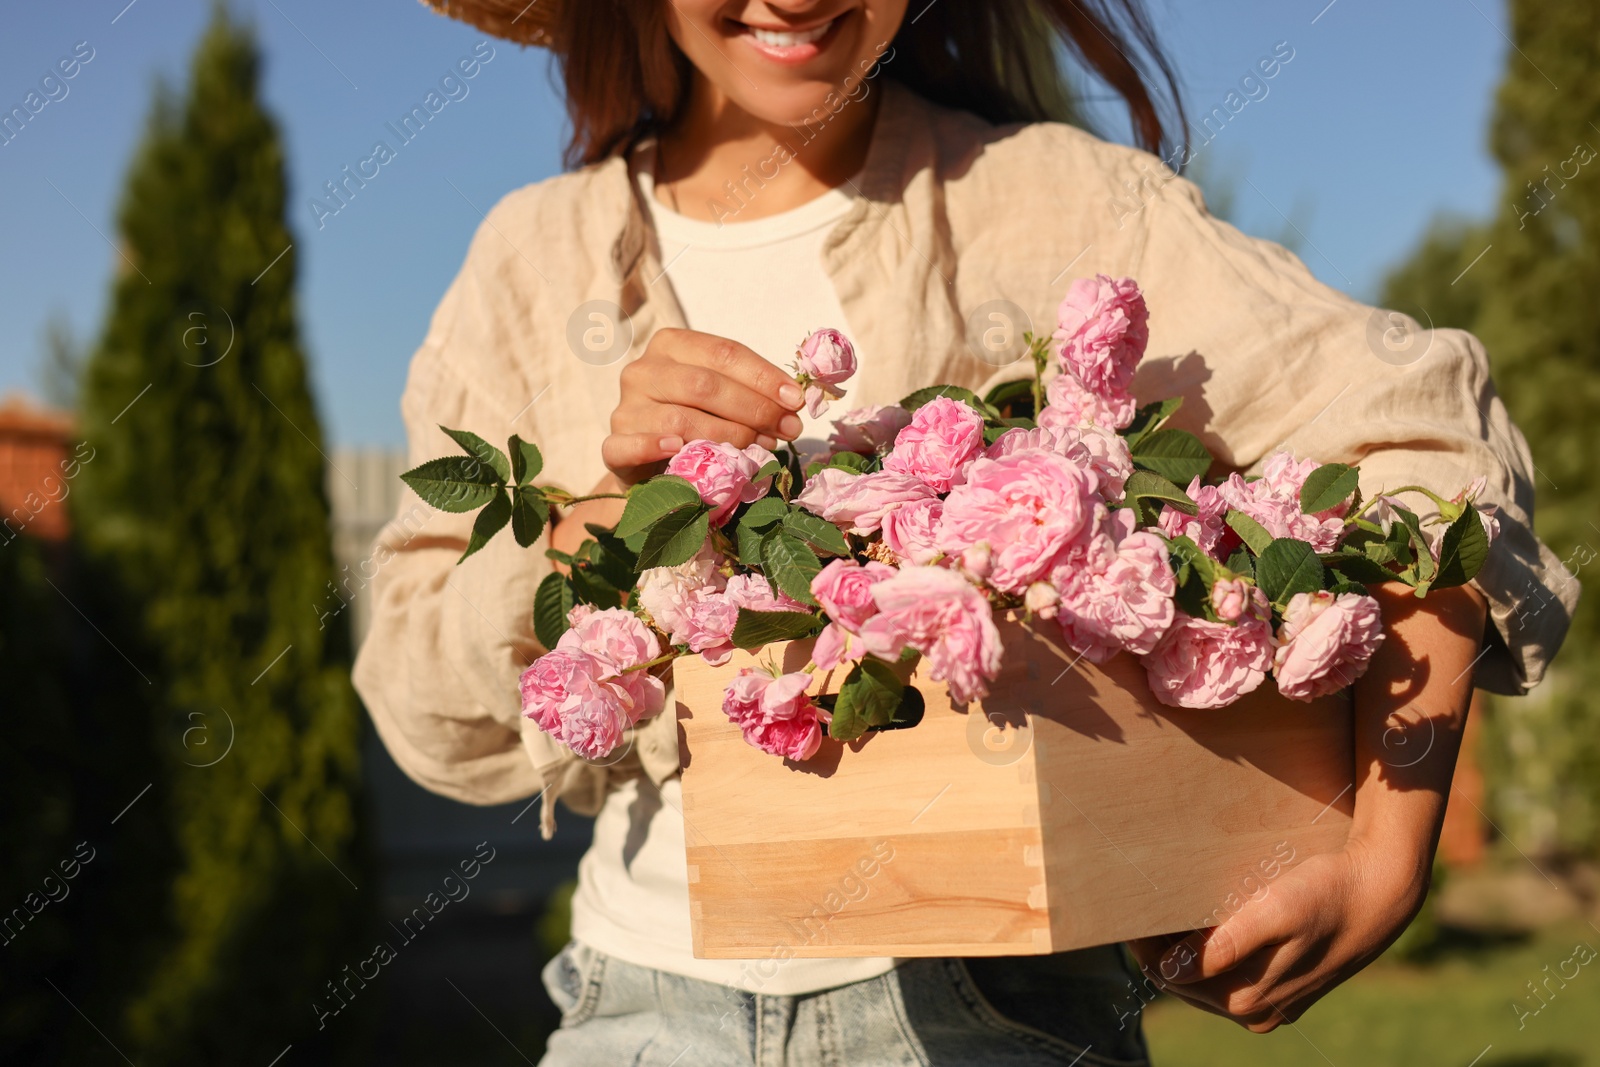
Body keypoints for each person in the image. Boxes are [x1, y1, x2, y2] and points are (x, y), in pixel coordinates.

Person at [355, 1, 1578, 1063]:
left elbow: (1419, 431)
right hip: (637, 1013)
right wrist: (582, 531)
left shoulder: (1058, 204)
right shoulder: (532, 260)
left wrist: (1388, 842)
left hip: (1002, 1016)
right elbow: (419, 699)